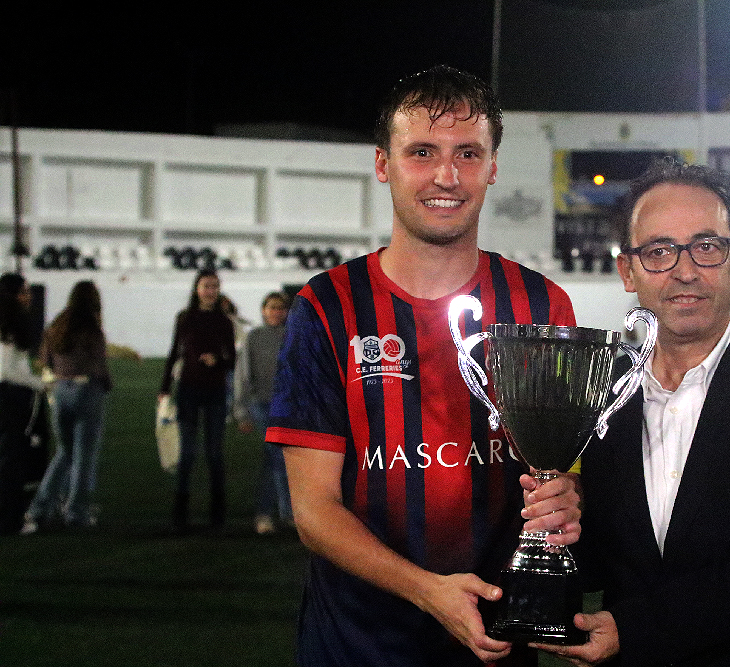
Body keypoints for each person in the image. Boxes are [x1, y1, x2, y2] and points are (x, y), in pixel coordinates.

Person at [266, 65, 581, 667]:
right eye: (422, 152)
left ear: (492, 167)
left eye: (468, 153)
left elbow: (564, 468)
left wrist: (569, 497)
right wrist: (429, 591)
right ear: (383, 164)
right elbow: (313, 512)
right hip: (356, 647)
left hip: (497, 644)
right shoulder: (327, 307)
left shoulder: (541, 306)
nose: (446, 176)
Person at [541, 158, 730, 666]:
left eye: (706, 247)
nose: (685, 271)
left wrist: (633, 630)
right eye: (659, 251)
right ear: (628, 271)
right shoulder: (599, 390)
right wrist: (561, 527)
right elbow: (606, 560)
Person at [23, 280, 112, 533]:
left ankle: (40, 508)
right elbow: (99, 365)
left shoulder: (56, 327)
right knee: (84, 456)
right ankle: (76, 511)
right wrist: (106, 385)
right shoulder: (92, 330)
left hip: (61, 390)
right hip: (87, 390)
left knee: (65, 451)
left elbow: (45, 360)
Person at [159, 269, 236, 533]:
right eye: (206, 286)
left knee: (215, 454)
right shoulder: (185, 318)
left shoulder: (224, 321)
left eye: (214, 286)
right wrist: (164, 387)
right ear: (197, 288)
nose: (210, 291)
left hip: (215, 391)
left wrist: (218, 360)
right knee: (187, 453)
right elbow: (174, 352)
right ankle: (179, 515)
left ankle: (218, 516)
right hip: (188, 389)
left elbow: (232, 359)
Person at [233, 291, 293, 535]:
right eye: (272, 307)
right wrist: (241, 411)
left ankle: (269, 513)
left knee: (276, 459)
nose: (276, 312)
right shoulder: (254, 337)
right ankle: (280, 513)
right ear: (263, 310)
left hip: (289, 406)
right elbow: (242, 375)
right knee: (277, 457)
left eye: (281, 308)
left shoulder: (294, 336)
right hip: (262, 404)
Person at [0, 273, 46, 535]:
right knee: (12, 458)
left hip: (9, 392)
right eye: (24, 292)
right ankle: (11, 520)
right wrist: (38, 383)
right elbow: (7, 370)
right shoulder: (10, 324)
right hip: (11, 396)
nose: (28, 297)